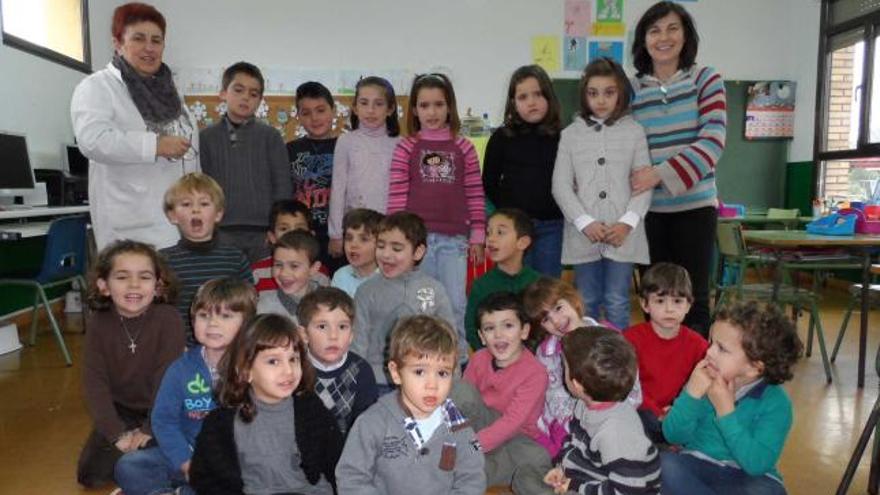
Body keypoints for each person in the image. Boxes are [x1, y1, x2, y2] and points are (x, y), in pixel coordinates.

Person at [630, 0, 727, 336]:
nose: (664, 37)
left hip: (695, 209)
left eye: (673, 28)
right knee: (653, 297)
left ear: (686, 36)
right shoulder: (632, 89)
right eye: (654, 30)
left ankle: (695, 381)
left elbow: (712, 140)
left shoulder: (706, 79)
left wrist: (658, 173)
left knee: (694, 299)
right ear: (643, 40)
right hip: (647, 211)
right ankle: (658, 374)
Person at [71, 2, 198, 250]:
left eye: (156, 40)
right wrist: (155, 145)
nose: (149, 48)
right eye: (139, 38)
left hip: (176, 222)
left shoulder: (171, 92)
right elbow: (93, 140)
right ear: (118, 43)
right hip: (129, 227)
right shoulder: (97, 86)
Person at [114, 277, 257, 495]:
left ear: (246, 324)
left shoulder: (254, 368)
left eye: (225, 316)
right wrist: (186, 462)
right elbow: (163, 420)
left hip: (234, 462)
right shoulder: (180, 369)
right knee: (130, 466)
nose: (213, 324)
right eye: (204, 315)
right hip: (186, 455)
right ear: (192, 320)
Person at [387, 73, 486, 352]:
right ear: (415, 110)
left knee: (454, 303)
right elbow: (397, 195)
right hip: (416, 243)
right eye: (425, 105)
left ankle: (455, 362)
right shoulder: (406, 146)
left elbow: (475, 193)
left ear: (449, 107)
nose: (432, 112)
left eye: (439, 105)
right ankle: (412, 359)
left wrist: (477, 235)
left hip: (454, 241)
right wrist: (396, 241)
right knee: (417, 304)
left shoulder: (463, 147)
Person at [190, 313, 343, 494]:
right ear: (246, 371)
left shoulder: (310, 408)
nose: (288, 370)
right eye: (273, 361)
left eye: (293, 359)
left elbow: (339, 463)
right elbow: (205, 480)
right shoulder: (220, 423)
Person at [660, 301, 802, 495]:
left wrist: (726, 413)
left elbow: (756, 464)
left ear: (754, 367)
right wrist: (691, 394)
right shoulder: (702, 380)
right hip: (696, 463)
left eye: (722, 349)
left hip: (749, 477)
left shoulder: (777, 404)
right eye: (711, 342)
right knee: (663, 465)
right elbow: (673, 436)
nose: (709, 352)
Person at [553, 57, 652, 330]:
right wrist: (585, 222)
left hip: (623, 234)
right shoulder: (571, 134)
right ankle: (588, 360)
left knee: (618, 300)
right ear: (584, 95)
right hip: (584, 234)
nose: (601, 100)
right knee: (587, 299)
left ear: (620, 92)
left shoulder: (635, 132)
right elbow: (560, 186)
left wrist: (627, 223)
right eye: (593, 93)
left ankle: (618, 363)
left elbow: (643, 184)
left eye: (609, 92)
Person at [336, 315, 486, 494]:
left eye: (442, 373)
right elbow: (351, 477)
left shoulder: (460, 426)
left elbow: (473, 478)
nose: (432, 385)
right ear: (396, 373)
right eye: (420, 371)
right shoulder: (372, 422)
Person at [77, 240, 185, 488]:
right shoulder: (98, 323)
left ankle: (157, 470)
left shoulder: (168, 319)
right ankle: (143, 464)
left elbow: (167, 381)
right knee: (90, 475)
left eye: (144, 277)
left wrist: (149, 429)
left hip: (166, 409)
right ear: (104, 286)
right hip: (123, 410)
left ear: (158, 286)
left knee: (157, 452)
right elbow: (95, 384)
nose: (134, 285)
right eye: (122, 277)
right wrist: (116, 434)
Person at [512, 326, 661, 495]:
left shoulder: (616, 433)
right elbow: (574, 443)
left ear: (577, 384)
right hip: (590, 478)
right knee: (525, 475)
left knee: (528, 483)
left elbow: (629, 490)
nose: (562, 371)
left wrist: (576, 486)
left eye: (564, 367)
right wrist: (562, 469)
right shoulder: (583, 405)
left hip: (615, 490)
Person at [453, 292, 549, 487]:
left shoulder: (535, 373)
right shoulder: (479, 358)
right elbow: (460, 403)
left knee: (536, 459)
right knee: (460, 391)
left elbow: (512, 423)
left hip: (516, 439)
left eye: (508, 325)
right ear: (481, 336)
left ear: (524, 331)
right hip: (481, 428)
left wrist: (471, 446)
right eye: (489, 328)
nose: (498, 335)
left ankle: (468, 468)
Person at [351, 212, 457, 390]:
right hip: (378, 383)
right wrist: (359, 384)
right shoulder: (366, 291)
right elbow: (358, 344)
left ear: (418, 252)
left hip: (424, 382)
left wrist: (453, 382)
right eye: (381, 246)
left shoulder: (434, 290)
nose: (386, 254)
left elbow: (450, 341)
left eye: (397, 248)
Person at [199, 61, 292, 262]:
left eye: (253, 94)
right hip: (220, 231)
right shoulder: (206, 138)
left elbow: (283, 186)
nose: (245, 98)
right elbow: (201, 188)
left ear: (260, 100)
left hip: (263, 234)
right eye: (238, 90)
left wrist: (278, 229)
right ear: (223, 93)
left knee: (260, 288)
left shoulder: (271, 137)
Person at [483, 65, 565, 277]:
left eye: (538, 94)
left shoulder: (563, 138)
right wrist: (508, 212)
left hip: (552, 226)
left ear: (549, 97)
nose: (531, 102)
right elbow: (489, 182)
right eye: (523, 97)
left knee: (546, 287)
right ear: (513, 103)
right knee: (515, 283)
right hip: (514, 229)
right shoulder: (501, 138)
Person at [159, 172, 253, 344]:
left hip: (229, 347)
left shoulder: (235, 258)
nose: (195, 210)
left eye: (204, 204)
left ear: (218, 214)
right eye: (186, 204)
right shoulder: (163, 260)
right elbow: (159, 311)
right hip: (181, 349)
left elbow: (249, 305)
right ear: (172, 215)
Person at [624, 262, 707, 443]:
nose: (670, 309)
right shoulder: (630, 339)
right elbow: (628, 386)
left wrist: (678, 412)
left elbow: (704, 387)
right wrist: (658, 413)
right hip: (642, 410)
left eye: (677, 301)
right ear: (645, 304)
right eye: (660, 301)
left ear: (688, 305)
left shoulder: (698, 345)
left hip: (679, 414)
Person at [521, 277, 600, 457]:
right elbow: (556, 400)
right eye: (546, 319)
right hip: (566, 427)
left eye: (558, 308)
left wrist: (603, 418)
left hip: (609, 421)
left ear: (573, 300)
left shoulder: (609, 337)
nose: (556, 321)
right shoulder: (546, 354)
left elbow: (630, 389)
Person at [328, 77, 401, 259]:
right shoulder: (346, 141)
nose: (370, 110)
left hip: (389, 230)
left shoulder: (400, 144)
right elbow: (338, 189)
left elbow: (403, 190)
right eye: (364, 103)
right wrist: (336, 234)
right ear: (355, 107)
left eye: (378, 104)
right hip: (356, 231)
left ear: (390, 109)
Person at [298, 287, 378, 436]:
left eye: (342, 327)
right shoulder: (294, 370)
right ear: (304, 334)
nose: (333, 336)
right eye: (322, 326)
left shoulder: (361, 371)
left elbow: (366, 428)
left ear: (351, 335)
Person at [464, 208, 540, 351]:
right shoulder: (481, 285)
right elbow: (472, 327)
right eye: (488, 233)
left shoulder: (537, 282)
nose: (491, 239)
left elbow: (543, 327)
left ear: (522, 242)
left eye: (500, 232)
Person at [288, 81, 341, 272]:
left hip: (337, 236)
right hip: (301, 236)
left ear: (333, 110)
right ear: (298, 117)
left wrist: (342, 235)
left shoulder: (346, 146)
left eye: (320, 110)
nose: (314, 118)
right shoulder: (290, 150)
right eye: (306, 113)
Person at [252, 199, 330, 293]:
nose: (292, 234)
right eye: (284, 228)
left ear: (311, 236)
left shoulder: (319, 273)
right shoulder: (257, 272)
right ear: (272, 237)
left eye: (300, 229)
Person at [256, 230, 324, 322]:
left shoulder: (331, 303)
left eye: (294, 266)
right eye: (278, 265)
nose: (284, 273)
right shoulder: (265, 308)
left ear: (313, 268)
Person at [331, 208, 383, 297]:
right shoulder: (340, 275)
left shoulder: (388, 278)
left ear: (380, 244)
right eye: (349, 238)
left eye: (364, 239)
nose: (353, 245)